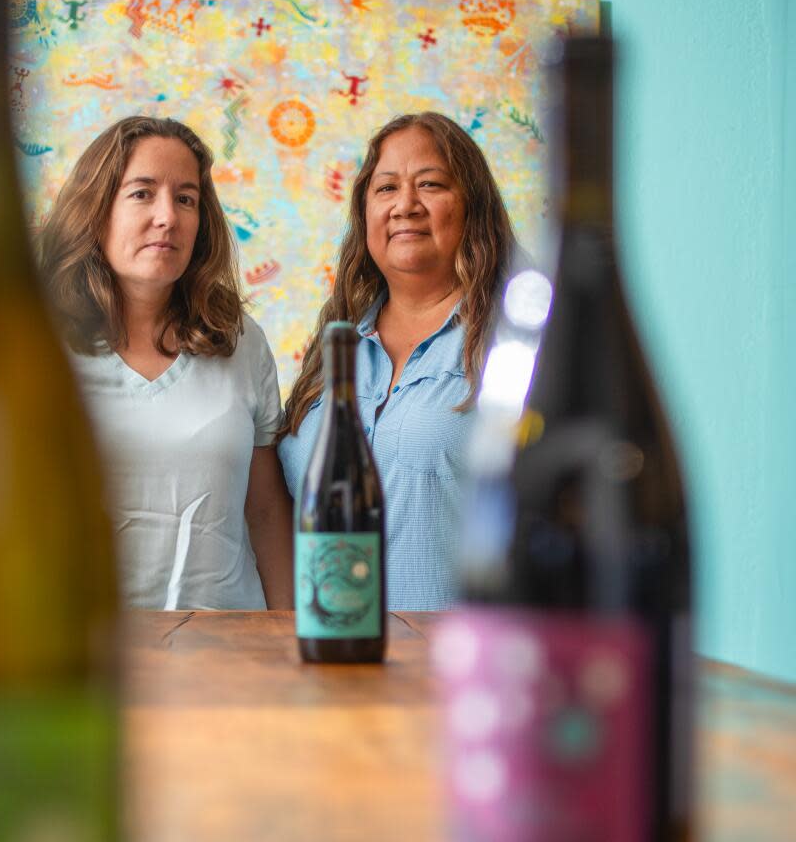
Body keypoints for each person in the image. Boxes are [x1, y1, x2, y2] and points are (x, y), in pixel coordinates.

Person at [38, 116, 293, 610]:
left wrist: (291, 644)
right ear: (97, 208)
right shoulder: (40, 343)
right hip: (85, 661)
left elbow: (265, 513)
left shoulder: (241, 342)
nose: (167, 217)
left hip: (231, 657)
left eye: (186, 198)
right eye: (141, 193)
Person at [277, 111, 518, 611]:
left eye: (430, 184)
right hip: (325, 660)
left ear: (472, 206)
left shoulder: (509, 347)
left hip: (452, 665)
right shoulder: (334, 350)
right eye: (386, 189)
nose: (405, 205)